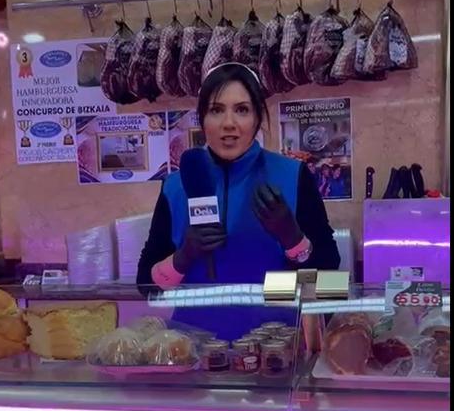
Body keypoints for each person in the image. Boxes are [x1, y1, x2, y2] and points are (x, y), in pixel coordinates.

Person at [136, 63, 341, 340]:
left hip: (275, 345)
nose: (228, 123)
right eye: (216, 110)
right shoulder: (176, 185)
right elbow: (146, 286)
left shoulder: (292, 175)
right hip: (194, 347)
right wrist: (182, 258)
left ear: (257, 118)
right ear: (202, 118)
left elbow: (330, 274)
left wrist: (293, 240)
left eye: (242, 110)